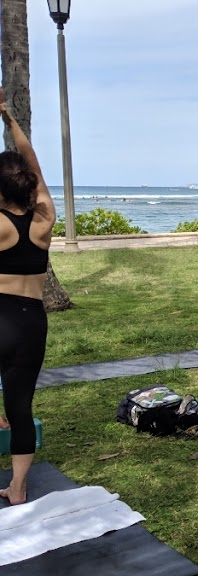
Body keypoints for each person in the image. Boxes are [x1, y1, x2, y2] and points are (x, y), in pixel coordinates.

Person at [0, 88, 56, 505]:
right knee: (20, 404)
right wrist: (9, 118)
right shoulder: (43, 219)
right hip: (31, 320)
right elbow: (32, 164)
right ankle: (18, 488)